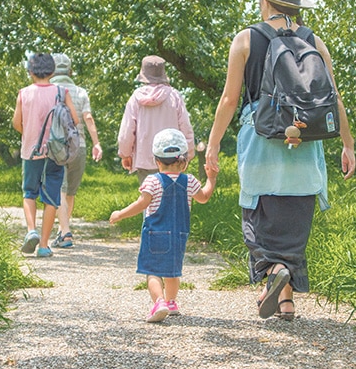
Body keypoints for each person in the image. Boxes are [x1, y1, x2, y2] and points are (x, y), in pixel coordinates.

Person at [205, 0, 355, 321]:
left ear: (266, 1)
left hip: (261, 140)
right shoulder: (314, 41)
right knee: (293, 220)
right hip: (304, 143)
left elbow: (229, 99)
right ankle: (286, 301)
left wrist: (213, 144)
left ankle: (274, 271)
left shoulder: (246, 39)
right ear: (297, 6)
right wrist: (347, 144)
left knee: (258, 218)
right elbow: (333, 98)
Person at [109, 128, 218, 323]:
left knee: (152, 271)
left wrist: (120, 214)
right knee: (172, 272)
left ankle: (159, 302)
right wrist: (211, 178)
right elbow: (204, 197)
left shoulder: (153, 181)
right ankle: (171, 302)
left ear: (156, 160)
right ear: (184, 160)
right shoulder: (190, 181)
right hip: (179, 235)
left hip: (155, 234)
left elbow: (141, 204)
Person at [12, 52, 80, 258]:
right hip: (55, 152)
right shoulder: (61, 91)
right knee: (51, 196)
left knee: (29, 192)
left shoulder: (24, 93)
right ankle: (43, 245)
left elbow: (16, 123)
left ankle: (31, 230)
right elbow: (74, 120)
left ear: (30, 72)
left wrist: (30, 134)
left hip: (31, 151)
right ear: (52, 71)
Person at [50, 52, 102, 247]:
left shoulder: (49, 91)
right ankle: (63, 229)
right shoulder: (80, 92)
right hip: (78, 146)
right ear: (70, 71)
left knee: (60, 190)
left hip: (56, 147)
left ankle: (65, 232)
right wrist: (96, 143)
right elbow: (88, 118)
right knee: (70, 192)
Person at [117, 55, 195, 185]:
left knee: (148, 195)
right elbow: (185, 127)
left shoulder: (135, 99)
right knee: (172, 194)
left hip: (144, 159)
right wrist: (189, 153)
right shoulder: (174, 96)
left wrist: (125, 154)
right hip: (172, 158)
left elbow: (127, 131)